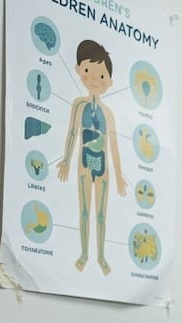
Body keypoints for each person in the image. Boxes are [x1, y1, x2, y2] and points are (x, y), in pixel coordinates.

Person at [58, 39, 127, 275]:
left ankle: (100, 255)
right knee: (85, 210)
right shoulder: (78, 105)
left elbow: (114, 145)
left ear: (109, 81)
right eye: (88, 71)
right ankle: (85, 253)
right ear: (78, 70)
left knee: (101, 214)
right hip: (84, 164)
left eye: (101, 75)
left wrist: (119, 175)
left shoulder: (109, 113)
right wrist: (66, 160)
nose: (94, 79)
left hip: (104, 167)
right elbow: (72, 133)